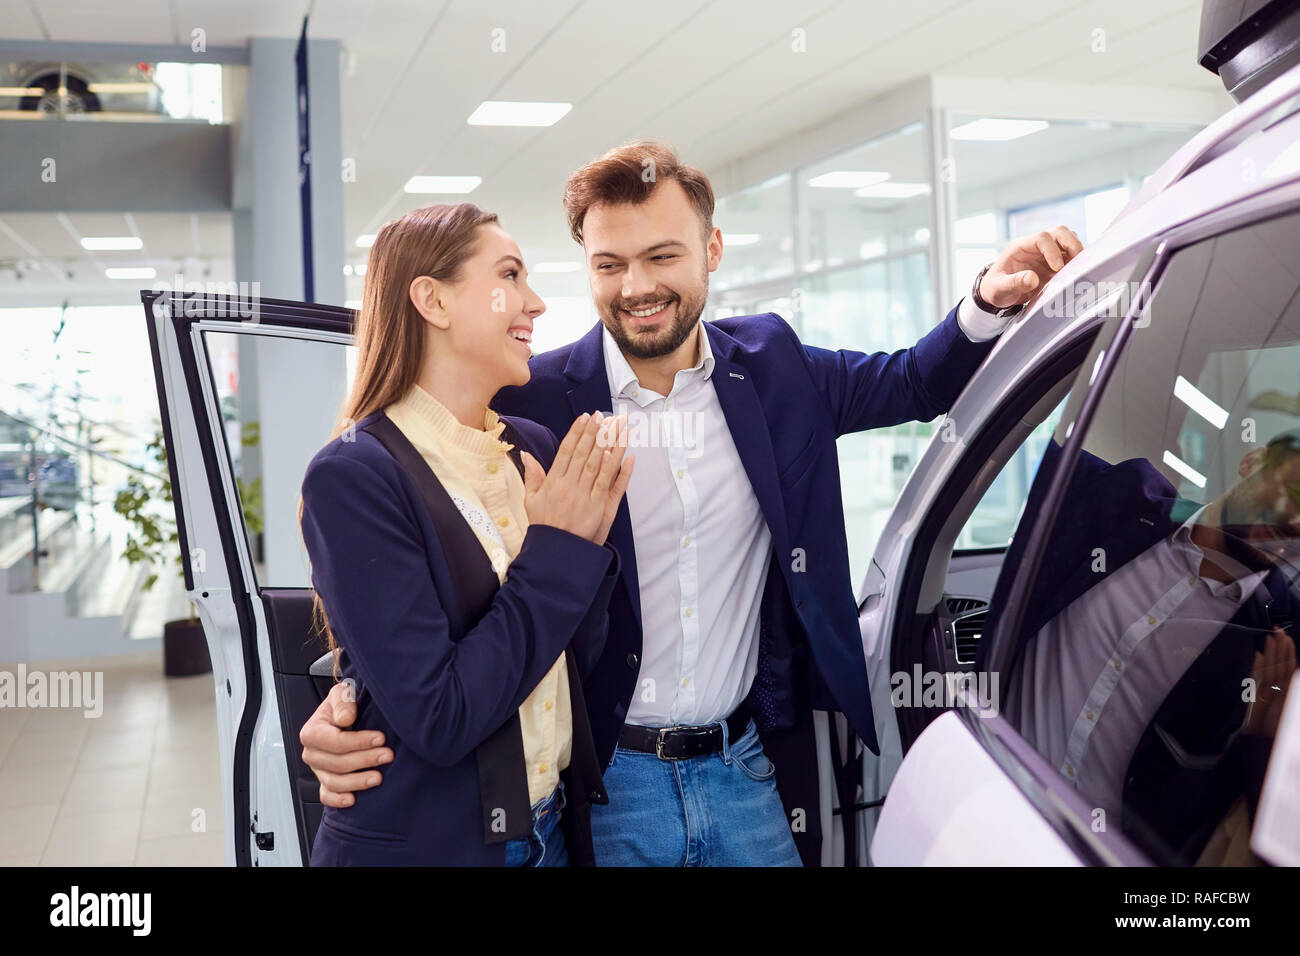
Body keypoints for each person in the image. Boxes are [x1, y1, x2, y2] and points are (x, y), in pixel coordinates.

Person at [300, 141, 1082, 866]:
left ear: (710, 250)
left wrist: (986, 297)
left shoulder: (774, 368)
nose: (636, 287)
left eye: (661, 256)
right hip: (604, 783)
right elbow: (443, 578)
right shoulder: (532, 404)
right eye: (609, 264)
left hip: (747, 769)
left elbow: (914, 380)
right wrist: (351, 700)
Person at [298, 202, 634, 865]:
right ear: (433, 300)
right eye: (510, 274)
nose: (535, 303)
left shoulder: (530, 449)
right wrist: (558, 548)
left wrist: (581, 549)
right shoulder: (356, 476)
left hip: (553, 831)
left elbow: (572, 660)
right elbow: (443, 718)